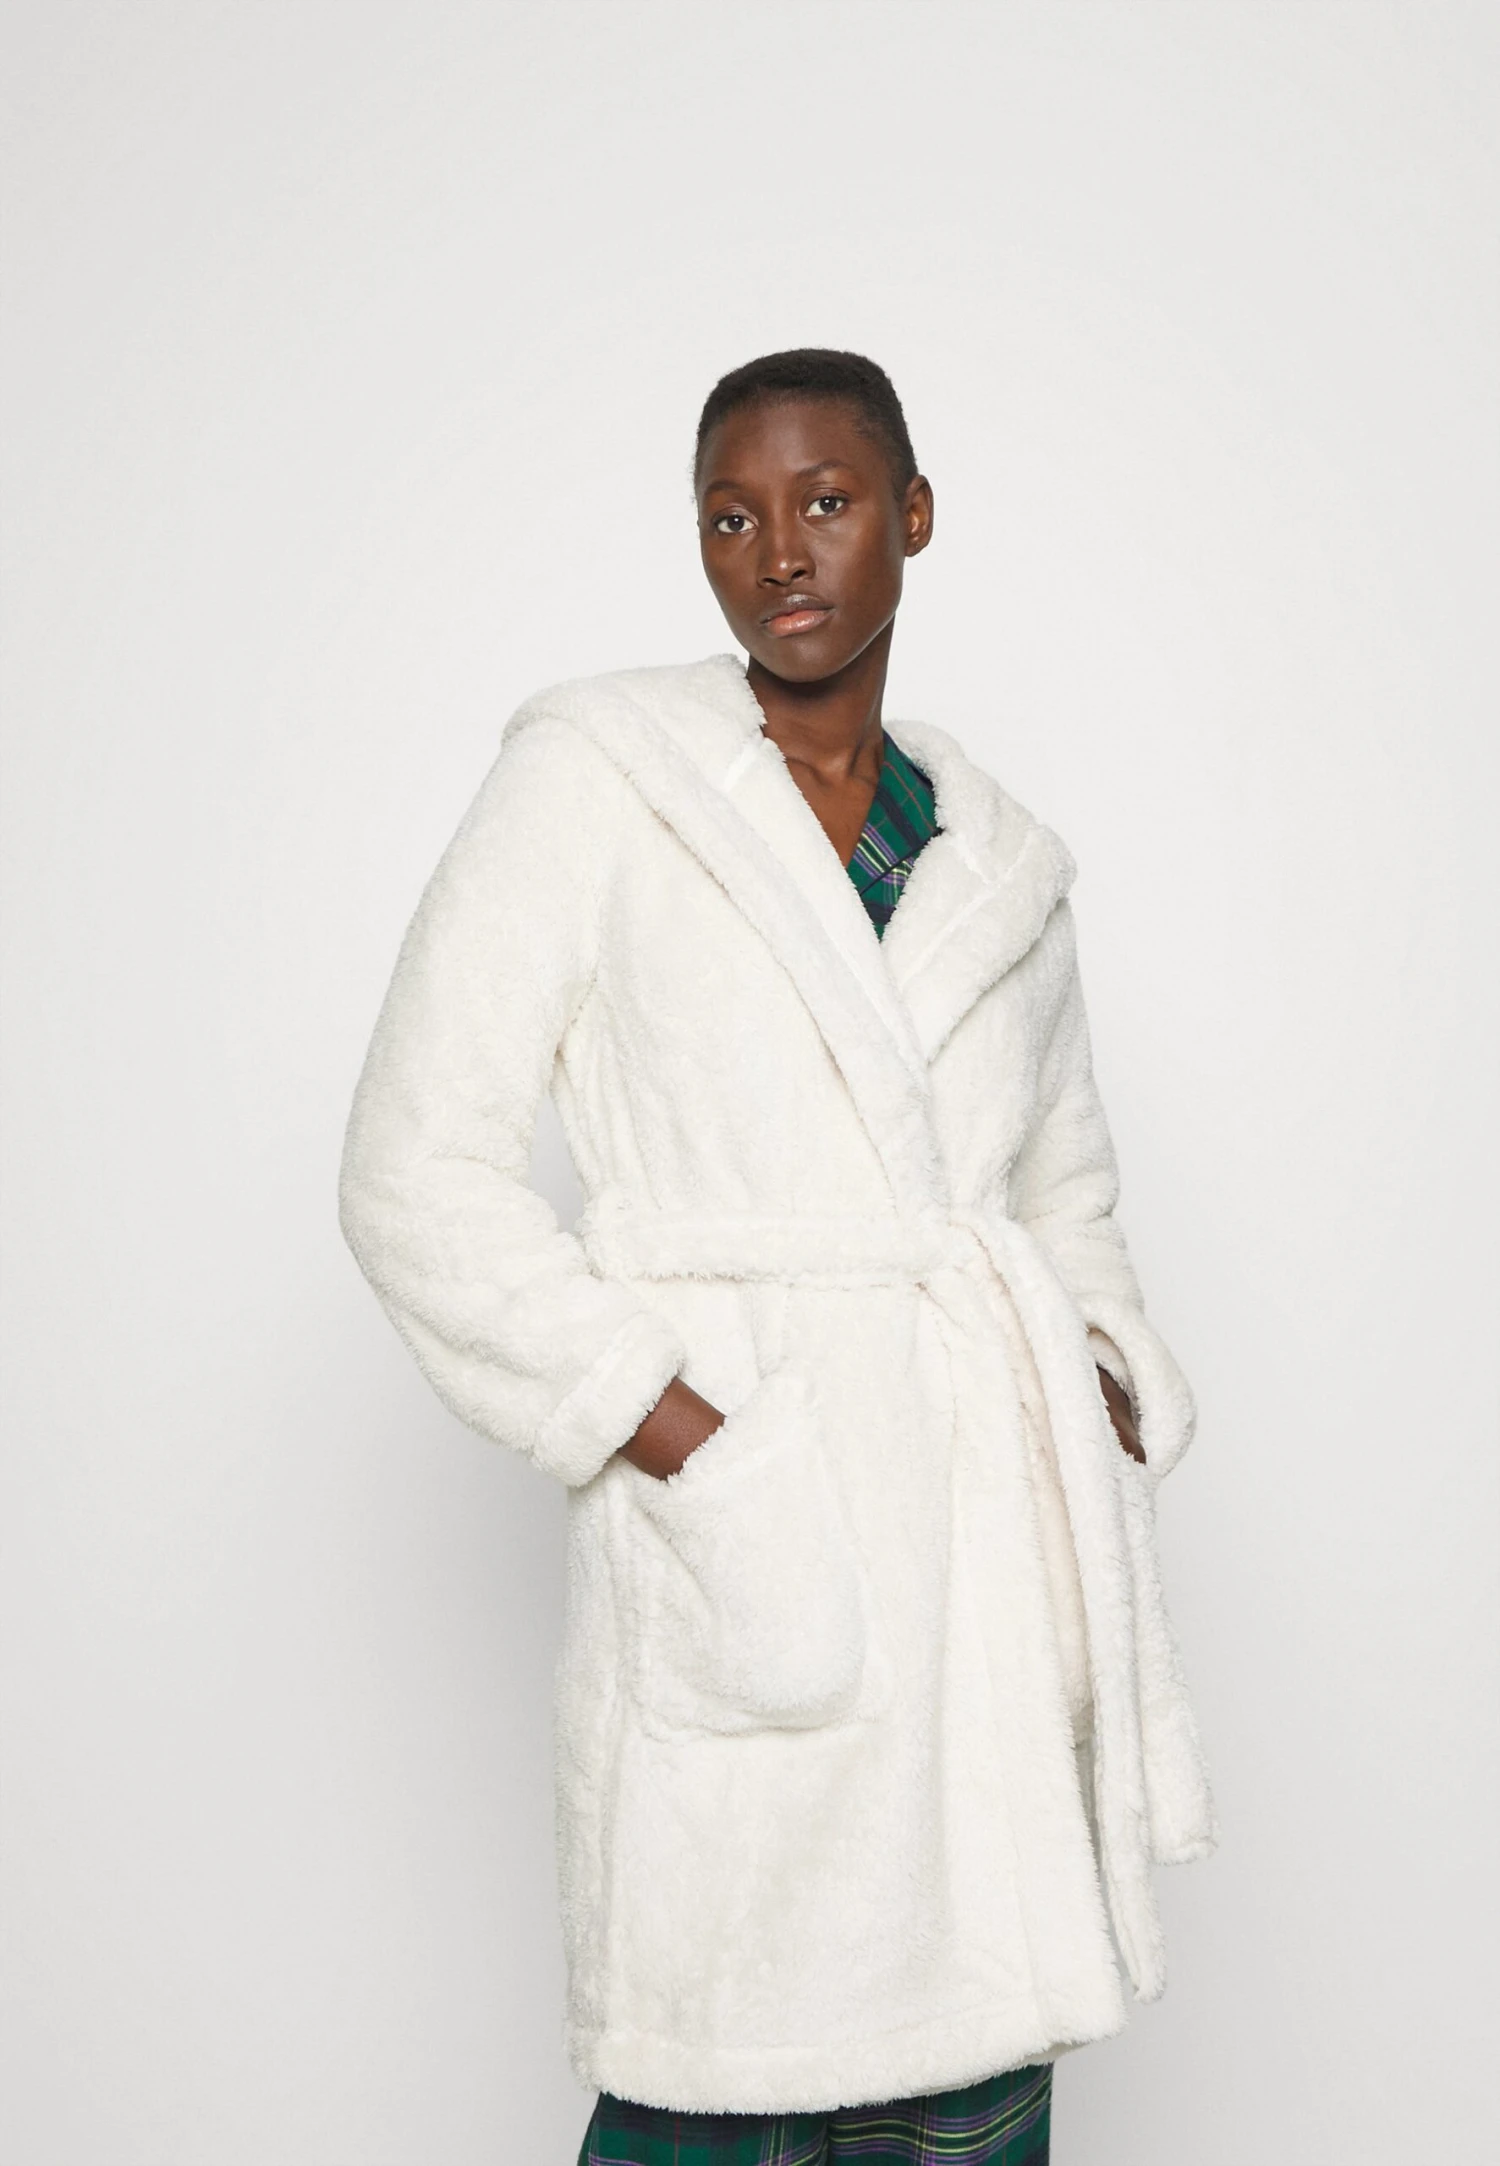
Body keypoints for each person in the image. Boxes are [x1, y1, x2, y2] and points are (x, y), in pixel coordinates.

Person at [338, 349, 1216, 2163]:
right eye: (730, 517)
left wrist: (1102, 1383)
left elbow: (1067, 1191)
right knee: (715, 2071)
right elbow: (411, 1171)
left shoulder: (1001, 866)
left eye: (825, 501)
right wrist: (680, 1434)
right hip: (754, 1530)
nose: (780, 554)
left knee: (971, 2068)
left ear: (914, 514)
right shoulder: (598, 783)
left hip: (979, 1571)